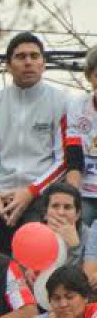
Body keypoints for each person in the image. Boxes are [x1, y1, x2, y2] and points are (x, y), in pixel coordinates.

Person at [0, 32, 72, 254]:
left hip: (40, 194)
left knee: (33, 245)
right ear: (8, 66)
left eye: (34, 56)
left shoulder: (62, 102)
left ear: (43, 64)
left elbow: (63, 159)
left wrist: (31, 191)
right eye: (20, 57)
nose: (28, 62)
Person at [67, 45, 97, 225]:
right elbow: (74, 157)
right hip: (85, 192)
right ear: (89, 77)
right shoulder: (77, 106)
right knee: (73, 224)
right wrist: (72, 200)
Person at [42, 182, 88, 268]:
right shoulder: (33, 232)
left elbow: (84, 274)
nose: (61, 212)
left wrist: (74, 247)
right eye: (55, 206)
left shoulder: (90, 237)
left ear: (77, 214)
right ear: (45, 213)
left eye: (67, 207)